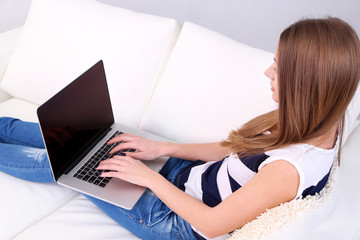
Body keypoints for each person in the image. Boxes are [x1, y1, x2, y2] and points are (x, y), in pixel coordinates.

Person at [1, 17, 360, 240]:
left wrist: (147, 177)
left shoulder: (288, 170)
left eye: (279, 68)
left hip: (174, 221)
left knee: (74, 163)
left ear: (306, 85)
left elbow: (212, 224)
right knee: (94, 141)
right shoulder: (320, 118)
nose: (268, 72)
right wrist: (163, 150)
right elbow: (237, 150)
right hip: (187, 179)